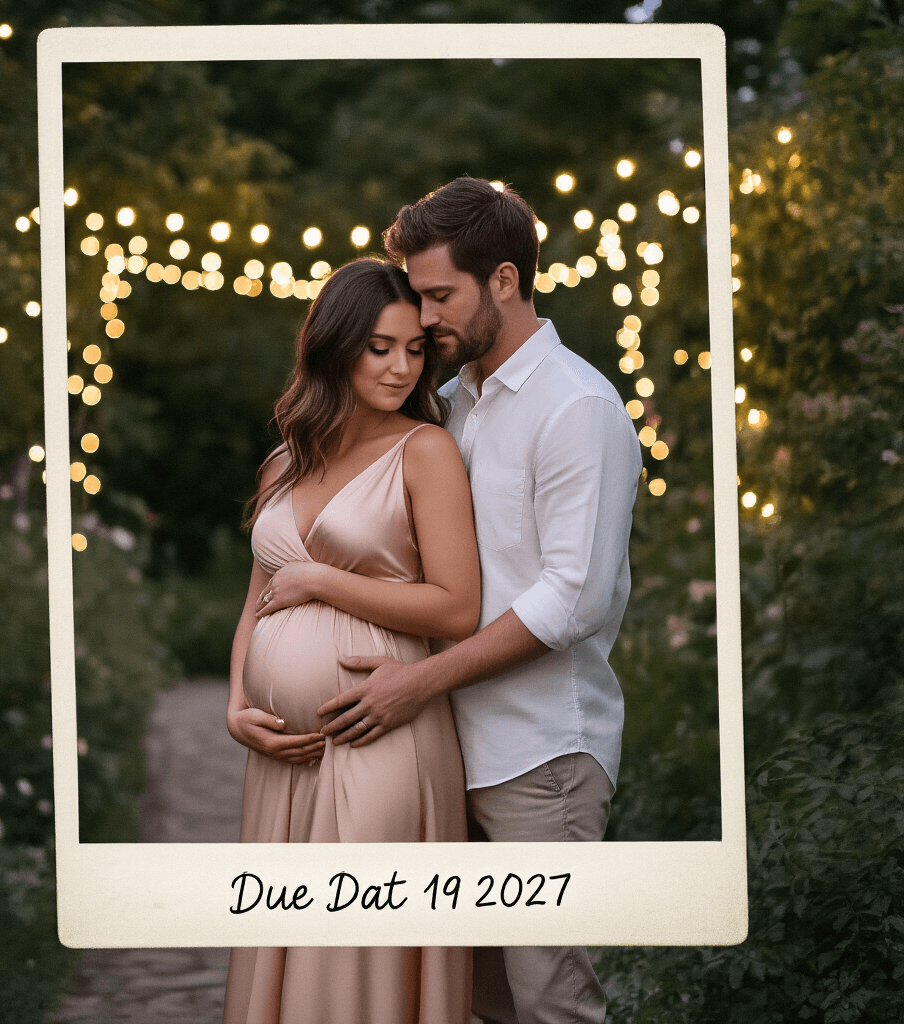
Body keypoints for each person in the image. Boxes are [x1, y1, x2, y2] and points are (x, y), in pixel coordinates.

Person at [316, 178, 644, 1024]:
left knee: (551, 1004)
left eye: (438, 296)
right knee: (480, 1005)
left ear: (504, 280)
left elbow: (573, 599)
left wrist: (415, 684)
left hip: (541, 762)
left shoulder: (576, 407)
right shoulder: (455, 403)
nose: (422, 320)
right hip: (448, 758)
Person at [222, 257, 481, 1024]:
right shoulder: (283, 463)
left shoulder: (424, 451)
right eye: (380, 347)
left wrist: (326, 583)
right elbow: (258, 603)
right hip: (283, 761)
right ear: (335, 346)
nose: (403, 366)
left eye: (414, 349)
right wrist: (237, 705)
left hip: (380, 734)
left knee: (355, 959)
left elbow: (456, 607)